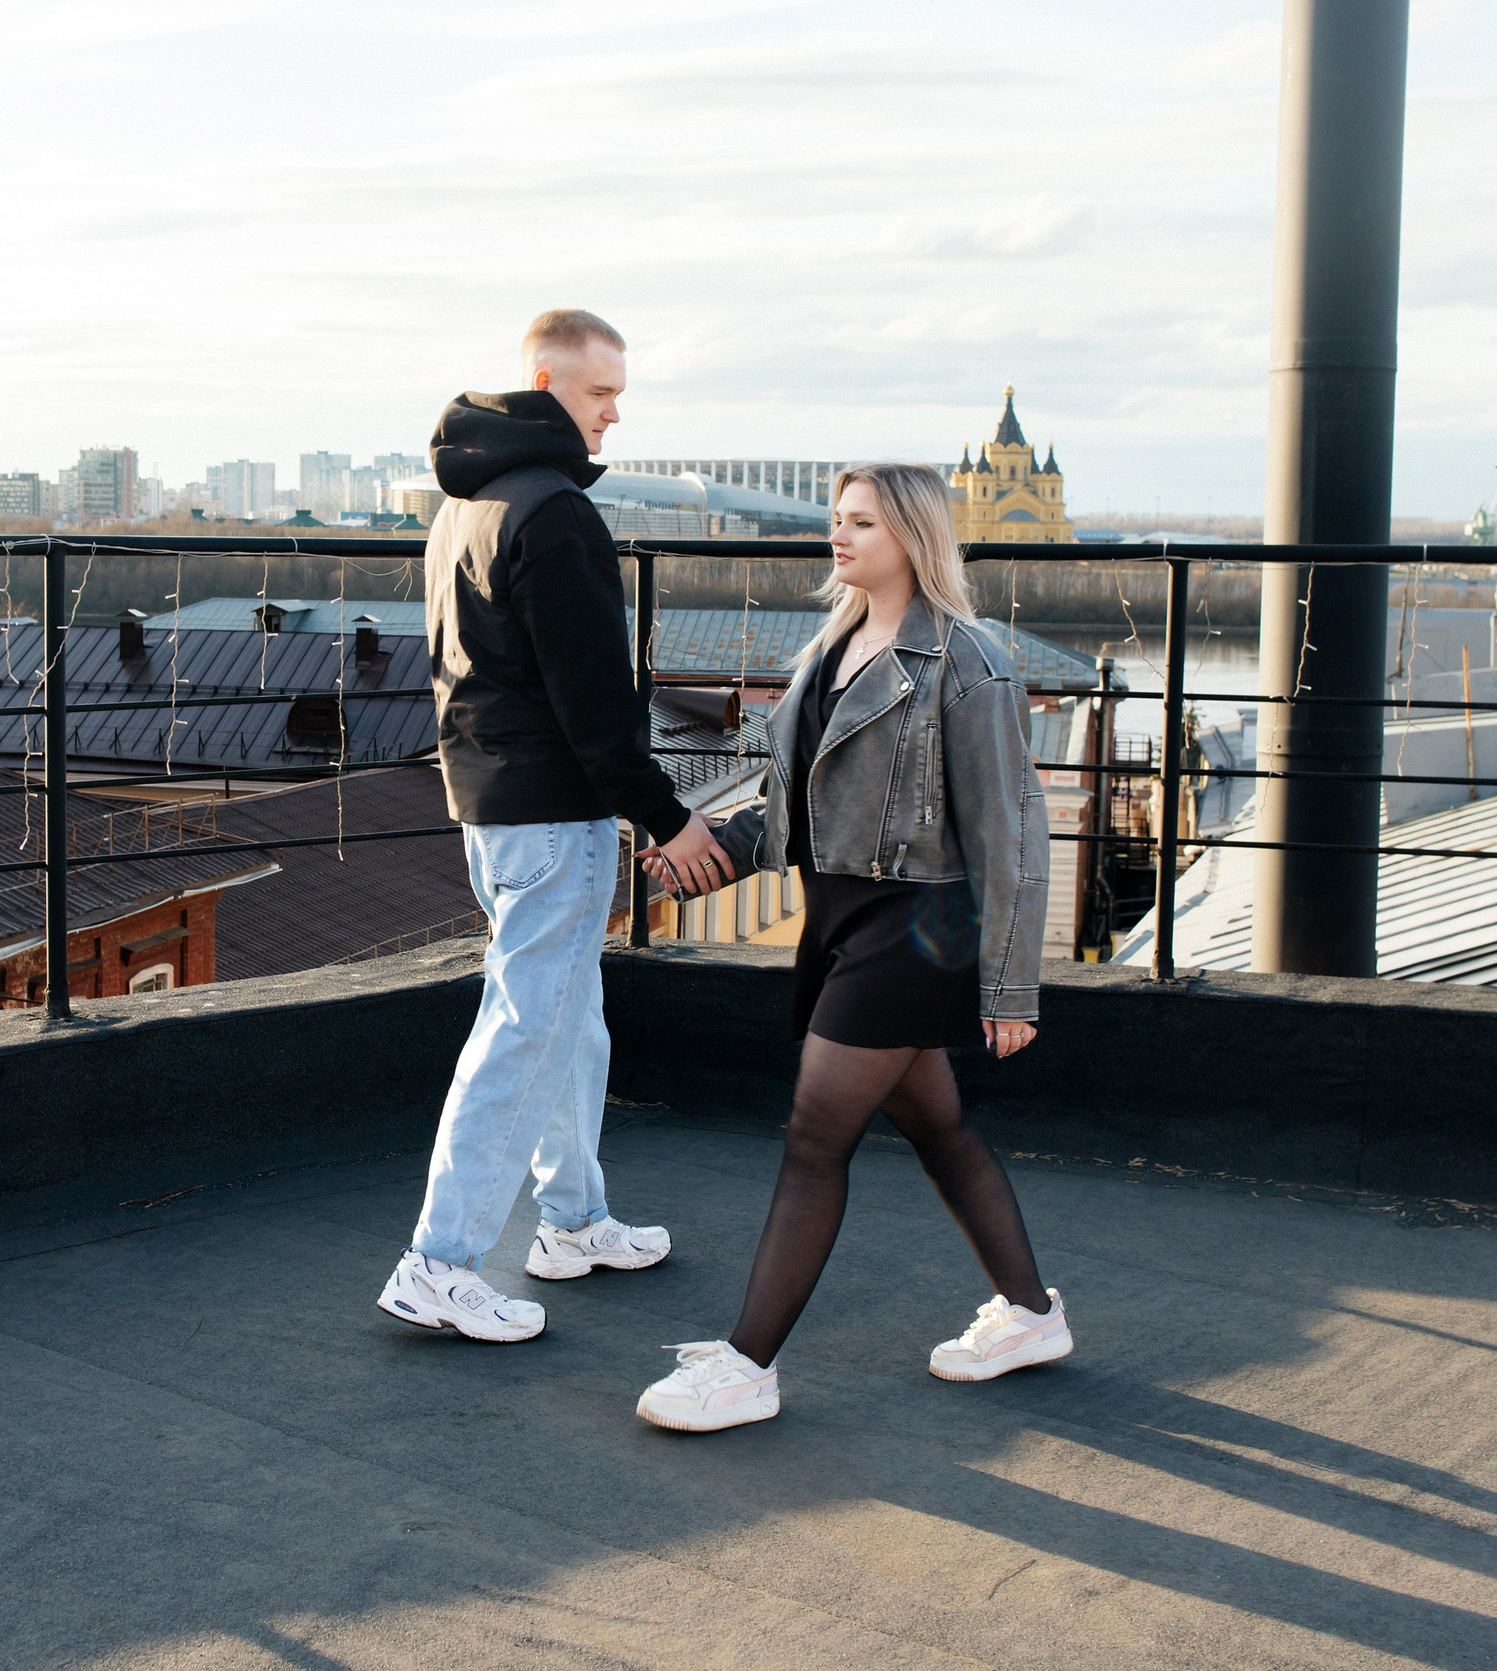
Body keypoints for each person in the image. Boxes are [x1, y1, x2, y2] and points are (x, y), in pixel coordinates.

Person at [631, 462, 1068, 1430]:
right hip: (841, 918)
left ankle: (747, 1366)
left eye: (861, 523)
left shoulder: (967, 662)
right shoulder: (827, 648)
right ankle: (1032, 1314)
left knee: (814, 1135)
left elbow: (1009, 832)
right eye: (836, 520)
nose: (839, 537)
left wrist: (1009, 988)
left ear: (911, 536)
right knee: (939, 1130)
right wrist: (719, 854)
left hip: (918, 925)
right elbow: (797, 808)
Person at [377, 309, 736, 1343]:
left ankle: (571, 1225)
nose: (614, 416)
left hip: (491, 804)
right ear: (545, 382)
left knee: (567, 1017)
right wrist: (666, 817)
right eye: (598, 394)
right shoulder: (553, 514)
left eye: (618, 396)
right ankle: (439, 1263)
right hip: (549, 811)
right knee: (526, 1030)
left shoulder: (468, 505)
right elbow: (593, 694)